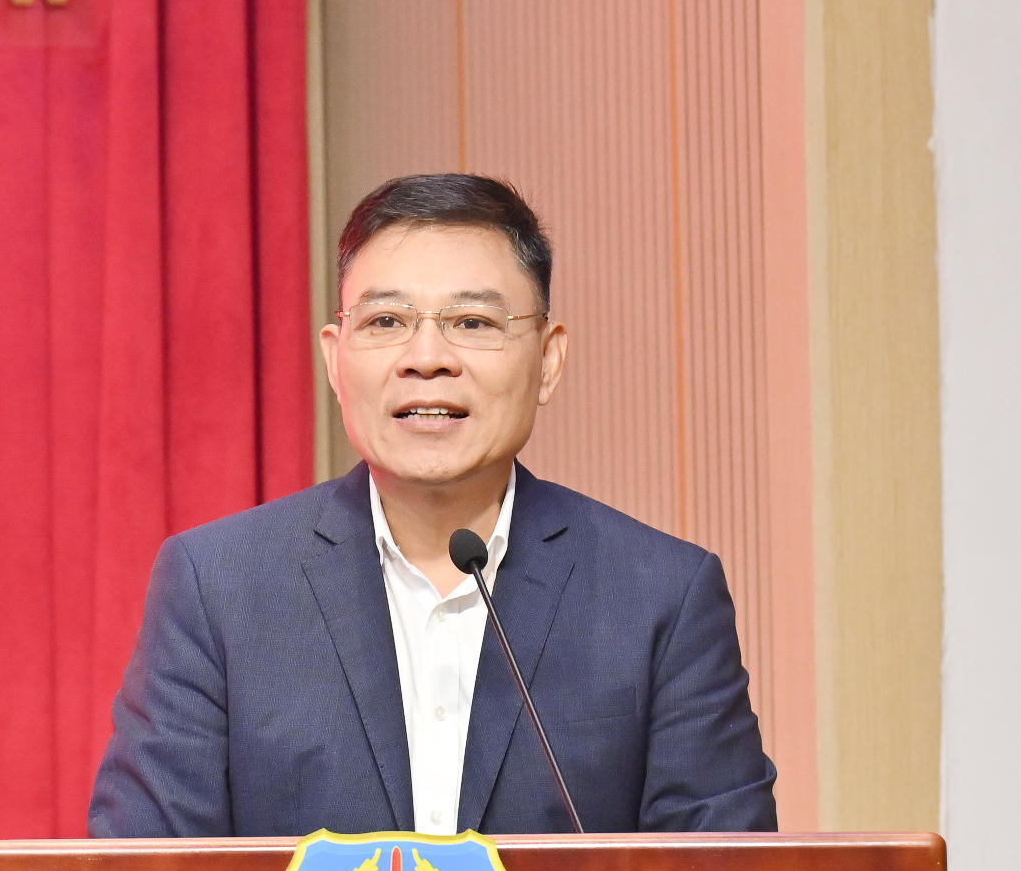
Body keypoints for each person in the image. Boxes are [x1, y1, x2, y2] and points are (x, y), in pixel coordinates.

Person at [89, 174, 777, 837]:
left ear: (548, 360)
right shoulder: (219, 587)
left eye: (472, 321)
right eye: (386, 320)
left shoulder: (660, 596)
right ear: (335, 360)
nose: (426, 357)